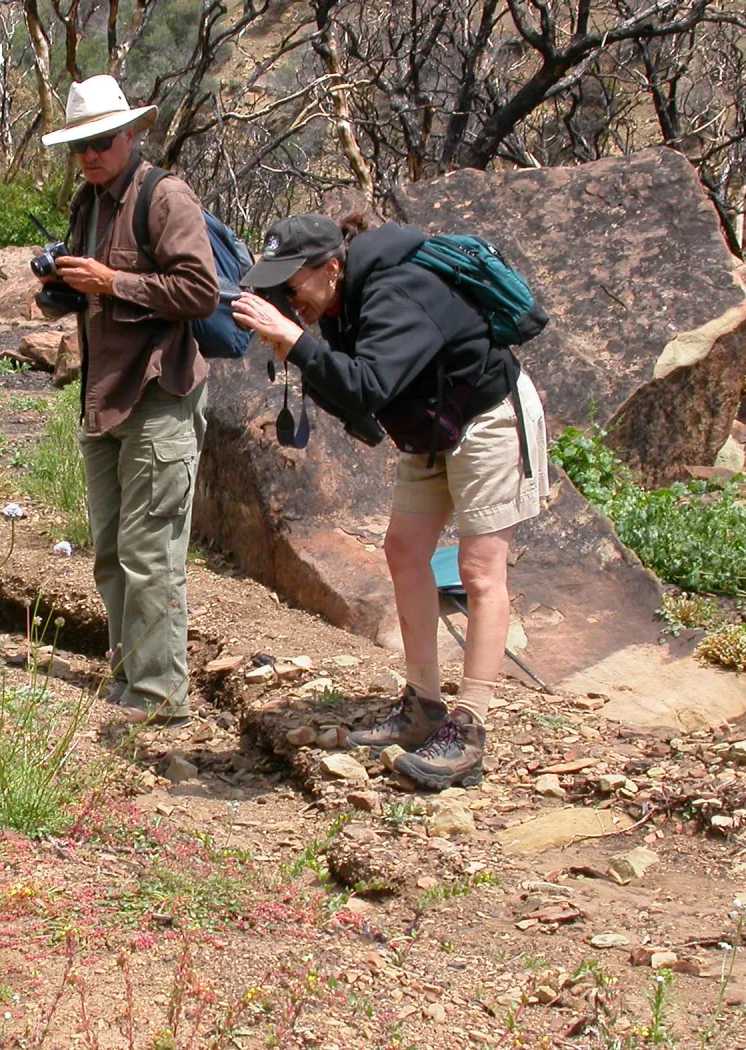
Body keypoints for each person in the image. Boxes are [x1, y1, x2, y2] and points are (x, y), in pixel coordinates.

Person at [231, 214, 549, 788]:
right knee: (404, 551)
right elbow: (358, 399)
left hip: (486, 416)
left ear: (332, 266)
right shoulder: (339, 303)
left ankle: (469, 728)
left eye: (292, 282)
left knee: (480, 571)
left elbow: (368, 386)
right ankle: (423, 707)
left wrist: (297, 342)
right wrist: (299, 343)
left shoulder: (396, 291)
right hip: (431, 426)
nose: (286, 296)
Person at [39, 75, 220, 726]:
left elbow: (201, 291)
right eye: (79, 146)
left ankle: (159, 699)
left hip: (157, 392)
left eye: (102, 141)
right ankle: (130, 675)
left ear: (132, 135)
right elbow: (90, 292)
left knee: (151, 554)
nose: (90, 155)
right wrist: (63, 287)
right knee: (112, 551)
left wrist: (113, 282)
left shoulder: (164, 196)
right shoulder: (88, 205)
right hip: (103, 393)